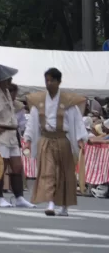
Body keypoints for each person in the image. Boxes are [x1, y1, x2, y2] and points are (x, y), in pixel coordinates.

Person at [22, 67, 88, 216]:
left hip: (63, 140)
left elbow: (77, 121)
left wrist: (79, 139)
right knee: (48, 171)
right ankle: (51, 202)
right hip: (46, 139)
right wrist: (27, 139)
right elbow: (32, 122)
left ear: (59, 82)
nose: (49, 83)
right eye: (47, 80)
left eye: (52, 80)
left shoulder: (68, 101)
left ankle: (64, 205)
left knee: (64, 173)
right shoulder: (38, 100)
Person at [0, 65, 34, 208]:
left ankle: (19, 197)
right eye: (8, 78)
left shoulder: (5, 91)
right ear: (0, 80)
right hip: (0, 134)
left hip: (11, 133)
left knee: (17, 166)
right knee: (0, 166)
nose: (10, 80)